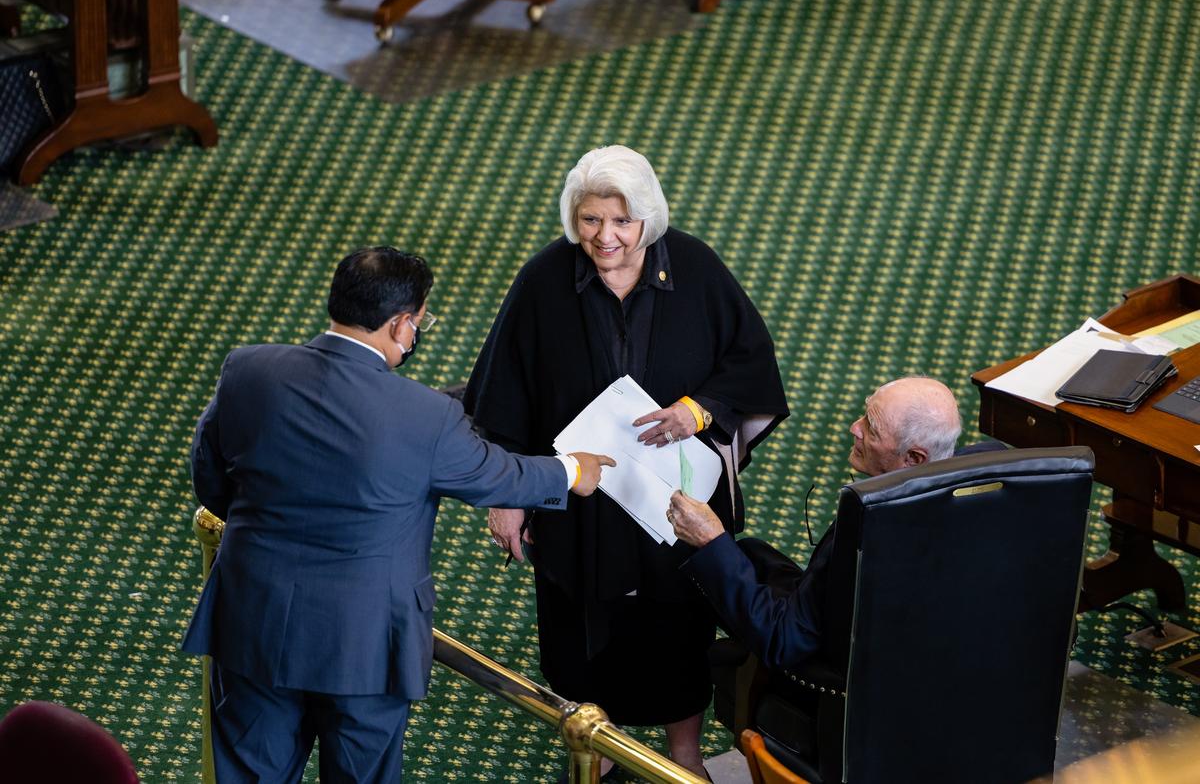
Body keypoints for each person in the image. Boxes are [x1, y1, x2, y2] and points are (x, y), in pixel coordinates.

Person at [181, 246, 614, 783]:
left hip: (254, 620)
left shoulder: (248, 370)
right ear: (401, 324)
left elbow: (210, 479)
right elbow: (496, 475)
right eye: (421, 320)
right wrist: (573, 470)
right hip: (365, 646)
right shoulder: (427, 416)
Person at [463, 145, 789, 776]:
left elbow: (752, 364)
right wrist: (505, 495)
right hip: (577, 501)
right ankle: (597, 746)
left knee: (678, 625)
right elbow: (503, 391)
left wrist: (695, 411)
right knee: (578, 627)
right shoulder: (542, 281)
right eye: (590, 220)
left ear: (648, 219)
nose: (605, 237)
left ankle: (684, 751)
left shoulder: (695, 268)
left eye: (620, 222)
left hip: (672, 498)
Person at [668, 376, 964, 671]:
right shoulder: (985, 485)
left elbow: (784, 641)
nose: (855, 427)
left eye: (871, 428)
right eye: (865, 413)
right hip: (935, 649)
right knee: (750, 553)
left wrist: (711, 540)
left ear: (913, 458)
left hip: (843, 666)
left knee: (706, 564)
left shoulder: (869, 527)